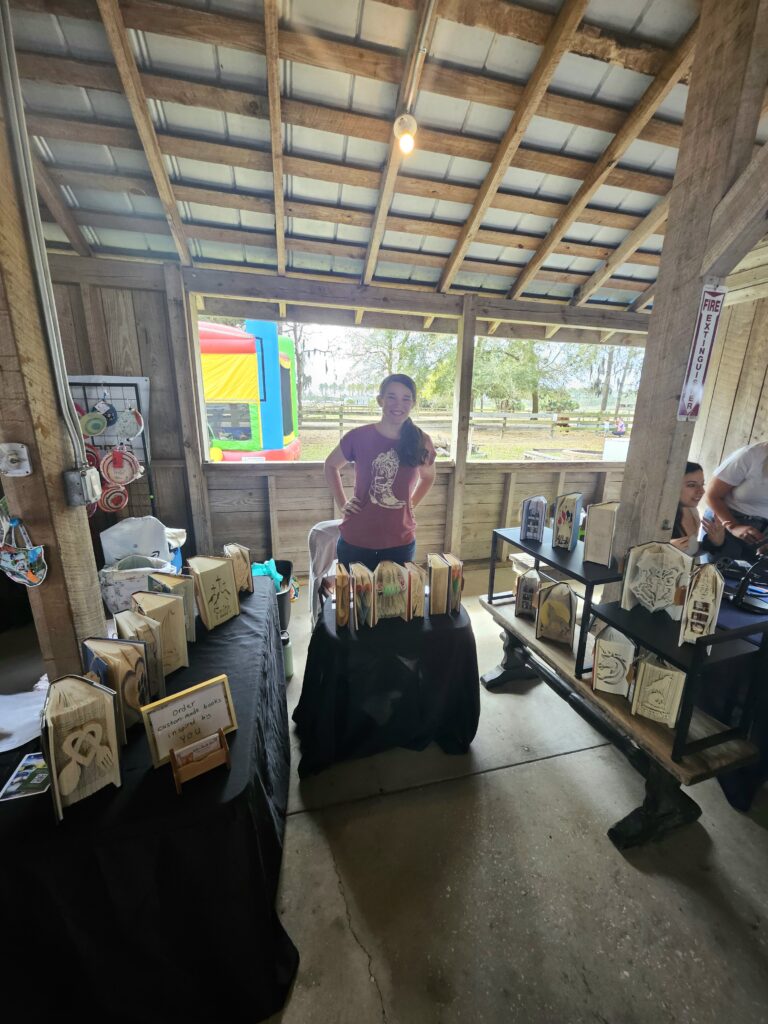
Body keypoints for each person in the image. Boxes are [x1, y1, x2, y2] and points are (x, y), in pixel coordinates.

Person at [324, 374, 436, 570]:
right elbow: (330, 465)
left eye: (406, 398)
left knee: (395, 600)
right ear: (380, 400)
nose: (398, 404)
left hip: (400, 541)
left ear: (413, 403)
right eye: (391, 396)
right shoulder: (358, 437)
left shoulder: (421, 440)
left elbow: (428, 477)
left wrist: (410, 505)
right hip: (356, 540)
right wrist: (343, 503)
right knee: (357, 599)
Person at [705, 441, 768, 561]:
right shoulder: (752, 454)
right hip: (726, 520)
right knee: (714, 576)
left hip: (763, 535)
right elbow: (712, 495)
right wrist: (733, 526)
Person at [670, 461, 725, 554]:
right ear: (672, 485)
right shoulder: (655, 518)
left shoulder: (691, 510)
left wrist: (715, 542)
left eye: (702, 484)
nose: (702, 491)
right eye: (691, 485)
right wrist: (663, 550)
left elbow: (691, 551)